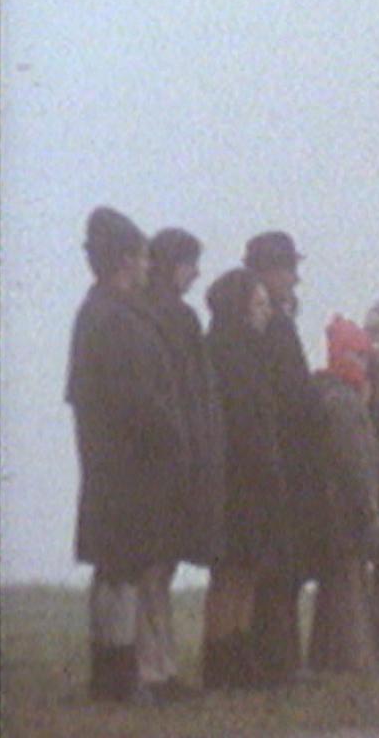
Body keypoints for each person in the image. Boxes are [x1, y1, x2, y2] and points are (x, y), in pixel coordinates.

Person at [65, 207, 187, 705]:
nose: (146, 267)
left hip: (118, 468)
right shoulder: (112, 318)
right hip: (125, 469)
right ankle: (116, 680)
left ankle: (115, 675)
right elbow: (136, 400)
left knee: (119, 571)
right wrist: (171, 437)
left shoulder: (103, 313)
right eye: (140, 257)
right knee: (119, 572)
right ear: (123, 260)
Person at [131, 227, 224, 702]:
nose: (195, 274)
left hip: (165, 456)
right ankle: (155, 669)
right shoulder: (175, 317)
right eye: (189, 263)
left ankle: (160, 667)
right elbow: (190, 394)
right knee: (155, 569)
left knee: (156, 569)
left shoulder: (150, 313)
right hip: (175, 456)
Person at [200, 268, 292, 688]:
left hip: (256, 479)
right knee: (230, 573)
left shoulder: (249, 352)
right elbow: (239, 423)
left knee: (247, 571)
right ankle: (221, 659)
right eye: (257, 305)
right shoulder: (225, 353)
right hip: (237, 480)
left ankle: (237, 651)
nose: (265, 313)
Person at [243, 230, 316, 683]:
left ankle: (283, 657)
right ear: (270, 271)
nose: (295, 279)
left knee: (285, 564)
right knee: (277, 567)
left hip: (287, 453)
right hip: (282, 454)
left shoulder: (274, 320)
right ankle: (277, 659)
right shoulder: (271, 325)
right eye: (289, 269)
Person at [305, 316, 379, 674]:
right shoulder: (345, 403)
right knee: (348, 589)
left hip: (325, 508)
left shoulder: (325, 395)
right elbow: (357, 465)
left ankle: (326, 659)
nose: (366, 365)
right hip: (345, 511)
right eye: (361, 356)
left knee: (335, 589)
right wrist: (369, 512)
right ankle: (350, 663)